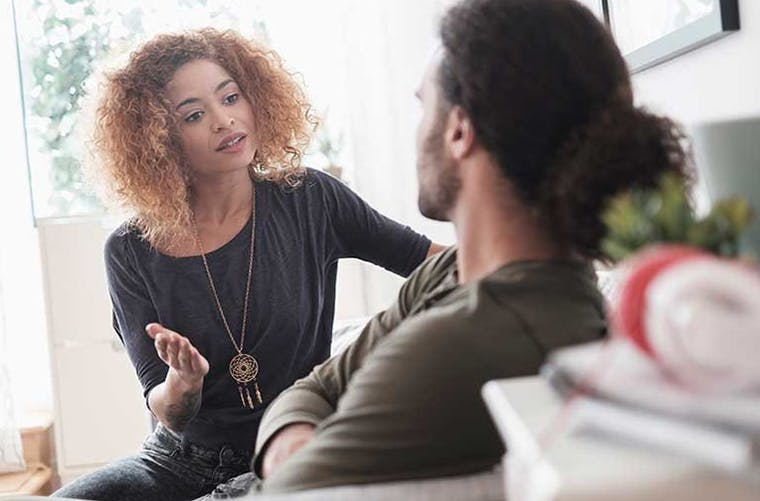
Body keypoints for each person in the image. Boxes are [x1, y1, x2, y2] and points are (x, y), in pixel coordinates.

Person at [250, 0, 690, 494]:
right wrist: (296, 429)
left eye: (424, 107)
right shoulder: (457, 272)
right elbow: (316, 386)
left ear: (459, 130)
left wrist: (293, 434)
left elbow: (287, 488)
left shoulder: (469, 339)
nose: (417, 134)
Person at [53, 28, 441, 501]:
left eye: (231, 97)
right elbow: (168, 413)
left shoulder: (311, 199)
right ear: (159, 140)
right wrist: (184, 381)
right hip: (177, 462)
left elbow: (429, 263)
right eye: (195, 114)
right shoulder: (129, 250)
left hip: (288, 452)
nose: (224, 120)